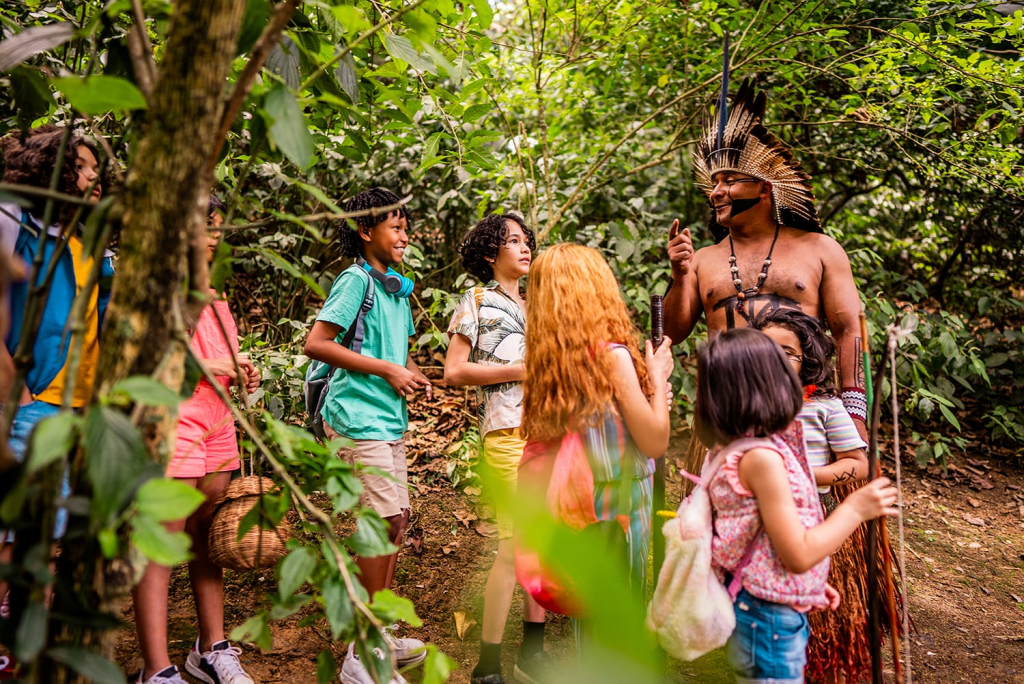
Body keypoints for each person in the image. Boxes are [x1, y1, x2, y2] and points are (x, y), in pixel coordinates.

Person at [664, 79, 869, 443]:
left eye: (730, 181)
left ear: (764, 188)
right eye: (715, 183)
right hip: (726, 412)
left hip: (803, 408)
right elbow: (671, 335)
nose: (716, 192)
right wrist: (680, 278)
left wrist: (854, 410)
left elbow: (849, 331)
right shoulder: (702, 261)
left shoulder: (820, 249)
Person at [693, 327, 898, 684]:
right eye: (778, 368)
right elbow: (797, 554)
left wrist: (810, 583)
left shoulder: (733, 447)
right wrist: (854, 509)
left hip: (756, 601)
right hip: (768, 617)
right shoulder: (762, 460)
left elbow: (756, 537)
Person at [304, 187, 432, 684]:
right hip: (356, 417)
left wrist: (408, 371)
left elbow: (390, 352)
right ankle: (360, 654)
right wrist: (387, 369)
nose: (405, 235)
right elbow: (317, 343)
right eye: (395, 227)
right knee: (380, 525)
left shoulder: (394, 287)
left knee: (395, 523)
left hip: (386, 419)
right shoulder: (355, 280)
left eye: (405, 227)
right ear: (366, 230)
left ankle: (376, 631)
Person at [131, 195, 261, 684]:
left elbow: (219, 355)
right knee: (161, 543)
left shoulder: (214, 293)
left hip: (217, 421)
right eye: (206, 226)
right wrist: (213, 366)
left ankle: (212, 648)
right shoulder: (157, 286)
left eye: (218, 227)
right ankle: (156, 669)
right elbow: (149, 355)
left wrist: (241, 369)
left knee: (207, 538)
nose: (214, 236)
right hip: (174, 420)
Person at [520, 244, 675, 651]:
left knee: (589, 616)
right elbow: (656, 440)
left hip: (576, 508)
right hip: (621, 510)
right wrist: (657, 379)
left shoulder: (551, 363)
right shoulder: (611, 356)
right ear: (596, 291)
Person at [0, 126, 114, 645]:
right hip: (34, 401)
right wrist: (16, 393)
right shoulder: (14, 223)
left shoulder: (86, 241)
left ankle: (28, 646)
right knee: (17, 531)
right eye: (85, 165)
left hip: (82, 408)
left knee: (51, 536)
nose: (94, 175)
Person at [444, 214, 547, 684]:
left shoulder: (536, 304)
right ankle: (487, 666)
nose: (524, 248)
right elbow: (455, 372)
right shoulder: (477, 300)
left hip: (545, 430)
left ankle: (533, 652)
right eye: (512, 241)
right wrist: (522, 371)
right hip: (505, 433)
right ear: (491, 253)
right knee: (512, 547)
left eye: (526, 240)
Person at [753, 308, 878, 683]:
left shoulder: (824, 407)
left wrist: (803, 474)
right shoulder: (746, 402)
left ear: (806, 358)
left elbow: (858, 464)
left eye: (786, 352)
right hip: (752, 517)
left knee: (794, 599)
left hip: (806, 517)